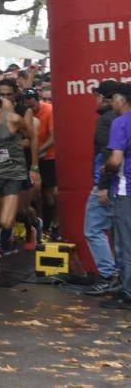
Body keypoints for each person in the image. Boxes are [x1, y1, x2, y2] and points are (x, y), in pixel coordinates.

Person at [0, 86, 39, 282]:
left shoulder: (12, 120)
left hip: (13, 174)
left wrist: (34, 166)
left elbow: (33, 136)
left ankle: (27, 229)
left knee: (6, 222)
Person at [83, 80, 122, 296]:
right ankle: (118, 276)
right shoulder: (120, 119)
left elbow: (108, 155)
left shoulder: (107, 121)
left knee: (93, 229)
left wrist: (102, 185)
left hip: (108, 184)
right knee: (117, 232)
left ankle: (108, 275)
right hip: (120, 185)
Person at [100, 83, 131, 309]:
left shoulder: (120, 123)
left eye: (113, 100)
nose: (111, 104)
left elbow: (116, 160)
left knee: (124, 245)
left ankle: (128, 292)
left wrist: (105, 169)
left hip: (125, 190)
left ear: (122, 100)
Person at [23, 88, 58, 238]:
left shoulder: (49, 110)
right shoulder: (24, 114)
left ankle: (54, 224)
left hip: (48, 156)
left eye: (33, 103)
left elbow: (53, 137)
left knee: (50, 196)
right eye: (28, 105)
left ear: (37, 100)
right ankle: (40, 225)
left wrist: (38, 150)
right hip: (31, 157)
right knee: (35, 195)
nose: (31, 107)